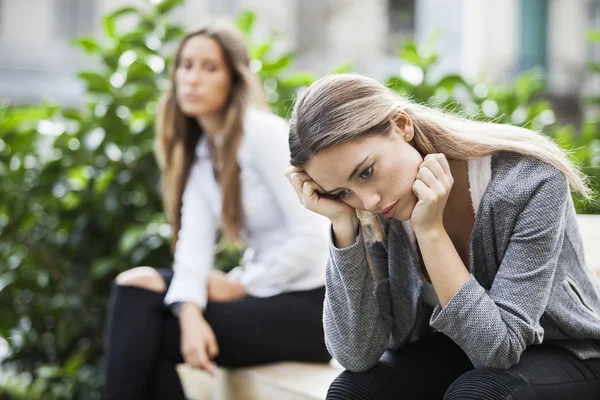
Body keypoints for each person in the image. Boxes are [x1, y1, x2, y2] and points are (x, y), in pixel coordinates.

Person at [285, 73, 600, 399]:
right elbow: (355, 354)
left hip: (568, 353)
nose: (368, 202)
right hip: (458, 349)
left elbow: (498, 350)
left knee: (480, 393)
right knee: (354, 391)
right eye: (342, 192)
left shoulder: (529, 179)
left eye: (366, 172)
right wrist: (343, 227)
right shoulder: (374, 211)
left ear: (401, 125)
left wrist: (430, 231)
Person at [102, 24, 331, 400]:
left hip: (313, 306)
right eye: (186, 65)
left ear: (233, 79)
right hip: (267, 295)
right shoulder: (204, 154)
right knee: (136, 285)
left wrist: (244, 285)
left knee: (146, 331)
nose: (193, 79)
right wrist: (190, 313)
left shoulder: (263, 133)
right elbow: (191, 249)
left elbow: (316, 236)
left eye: (210, 68)